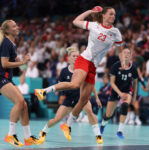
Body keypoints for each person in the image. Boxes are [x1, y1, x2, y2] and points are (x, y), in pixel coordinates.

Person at [35, 6, 123, 140]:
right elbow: (76, 21)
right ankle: (44, 91)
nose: (113, 16)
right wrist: (90, 12)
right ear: (103, 15)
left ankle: (68, 125)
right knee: (75, 84)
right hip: (84, 59)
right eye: (110, 14)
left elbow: (119, 47)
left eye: (114, 14)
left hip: (93, 66)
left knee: (83, 101)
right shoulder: (94, 25)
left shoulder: (116, 32)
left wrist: (122, 62)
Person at [38, 47, 103, 144]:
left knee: (90, 112)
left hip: (81, 97)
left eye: (78, 56)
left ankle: (98, 136)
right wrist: (61, 94)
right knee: (56, 119)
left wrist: (97, 97)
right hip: (68, 99)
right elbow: (60, 85)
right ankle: (43, 132)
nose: (76, 58)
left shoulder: (83, 69)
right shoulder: (64, 71)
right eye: (74, 56)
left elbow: (91, 84)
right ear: (68, 58)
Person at [0, 20, 41, 147]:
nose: (17, 27)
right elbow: (4, 64)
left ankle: (28, 137)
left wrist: (16, 59)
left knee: (23, 104)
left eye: (16, 25)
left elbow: (8, 60)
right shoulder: (6, 42)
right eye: (14, 26)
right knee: (19, 102)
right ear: (7, 30)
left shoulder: (11, 43)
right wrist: (22, 62)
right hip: (2, 77)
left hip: (8, 78)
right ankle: (10, 135)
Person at [100, 48, 138, 139]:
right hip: (116, 91)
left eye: (128, 53)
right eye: (124, 52)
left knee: (125, 106)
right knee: (108, 114)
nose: (126, 54)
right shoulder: (115, 66)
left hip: (127, 91)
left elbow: (135, 83)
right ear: (121, 55)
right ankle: (102, 125)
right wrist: (120, 93)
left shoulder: (133, 68)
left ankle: (120, 131)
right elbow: (112, 83)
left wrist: (134, 96)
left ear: (130, 55)